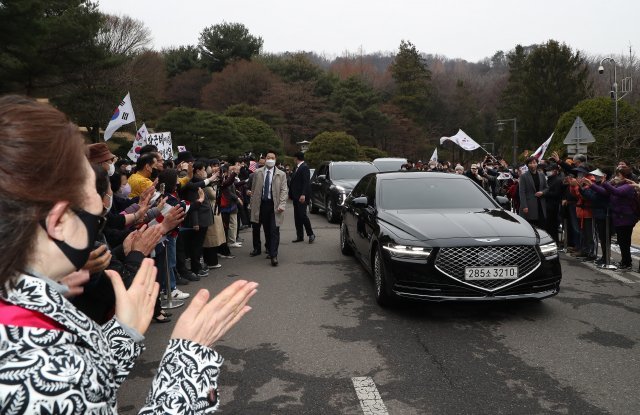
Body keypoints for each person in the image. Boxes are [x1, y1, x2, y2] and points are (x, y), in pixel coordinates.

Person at [0, 95, 258, 413]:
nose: (101, 204)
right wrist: (187, 365)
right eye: (92, 190)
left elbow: (81, 387)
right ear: (59, 221)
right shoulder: (34, 369)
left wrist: (121, 336)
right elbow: (60, 381)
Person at [248, 150, 288, 266]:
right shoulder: (258, 172)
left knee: (274, 230)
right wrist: (252, 204)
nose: (270, 159)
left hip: (274, 205)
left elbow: (284, 190)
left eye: (273, 157)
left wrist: (282, 204)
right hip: (262, 205)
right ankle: (270, 249)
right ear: (265, 159)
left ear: (275, 160)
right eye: (268, 157)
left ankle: (274, 255)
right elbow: (254, 189)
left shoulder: (281, 174)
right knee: (267, 229)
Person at [289, 151, 315, 244]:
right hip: (296, 196)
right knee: (297, 217)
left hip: (301, 196)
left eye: (294, 158)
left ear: (296, 158)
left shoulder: (304, 167)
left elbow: (306, 182)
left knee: (302, 215)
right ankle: (300, 236)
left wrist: (303, 194)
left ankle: (311, 234)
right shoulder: (297, 168)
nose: (293, 160)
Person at [518, 156, 547, 228]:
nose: (532, 165)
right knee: (530, 226)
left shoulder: (542, 175)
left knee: (541, 226)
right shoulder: (524, 176)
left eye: (534, 163)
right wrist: (524, 206)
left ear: (537, 164)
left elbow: (547, 188)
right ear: (527, 165)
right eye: (530, 163)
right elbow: (522, 192)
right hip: (529, 205)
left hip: (540, 204)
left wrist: (542, 192)